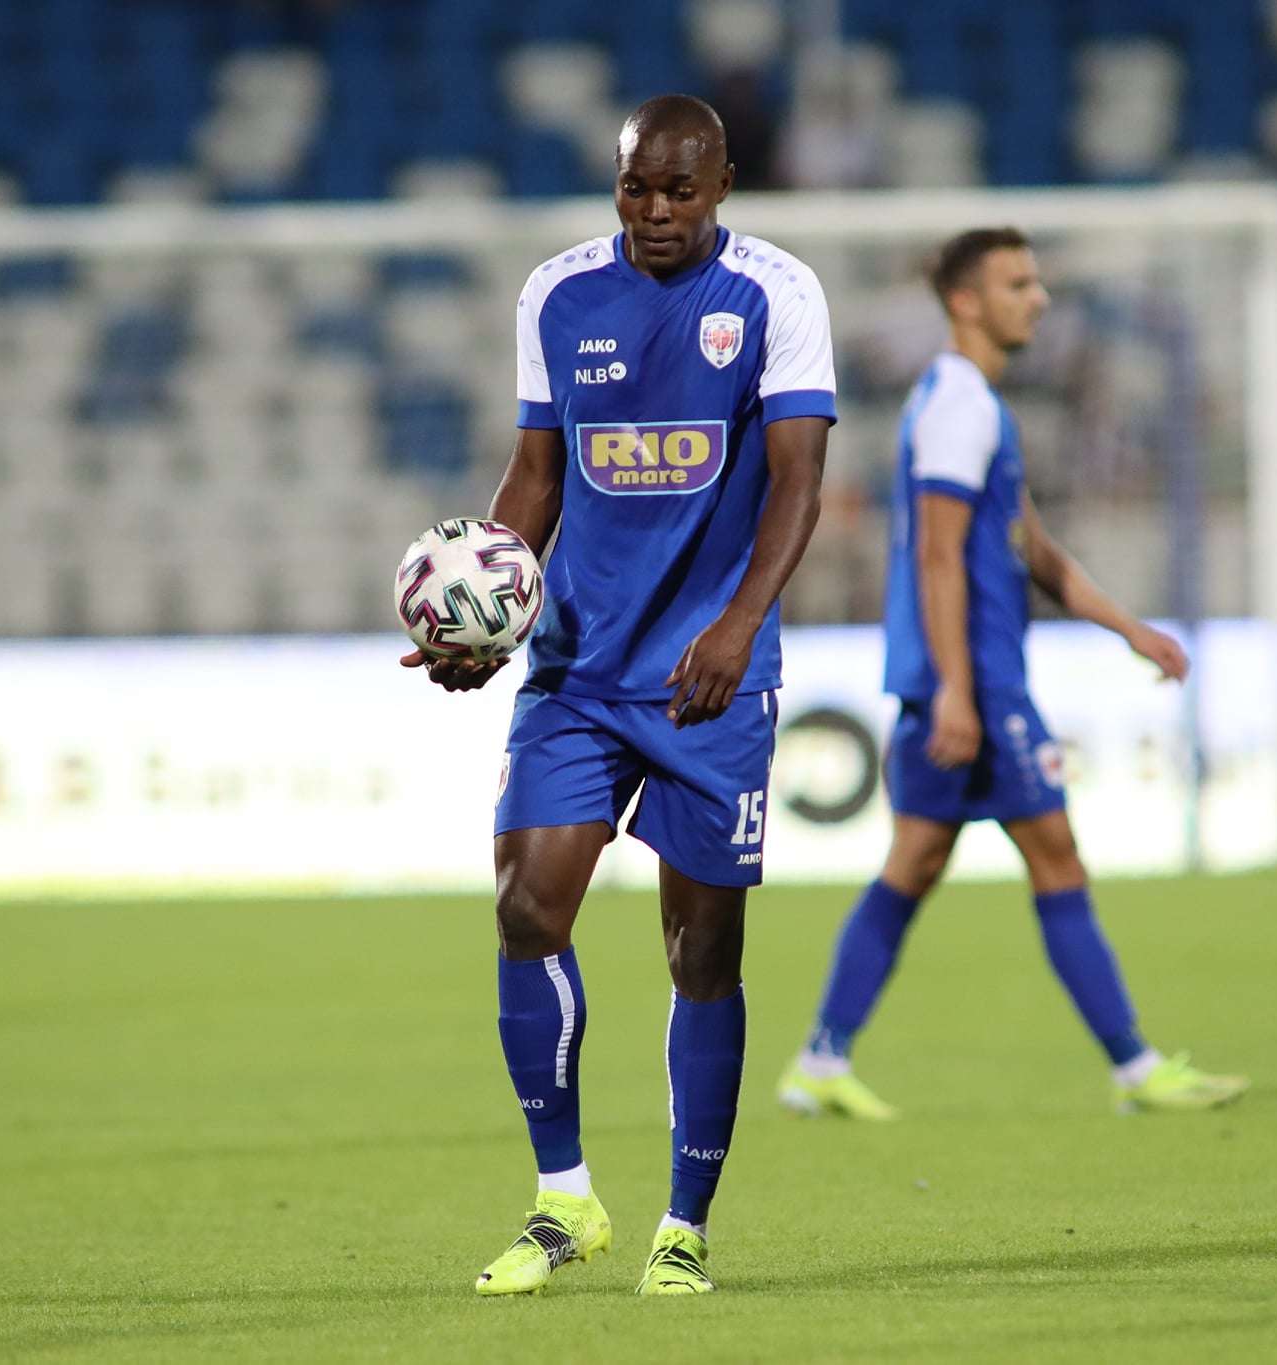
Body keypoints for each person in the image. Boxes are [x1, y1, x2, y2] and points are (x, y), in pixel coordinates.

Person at [401, 94, 834, 1296]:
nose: (653, 211)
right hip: (577, 669)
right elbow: (536, 474)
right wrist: (487, 614)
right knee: (525, 910)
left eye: (678, 191)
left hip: (708, 679)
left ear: (722, 186)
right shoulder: (555, 294)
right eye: (635, 187)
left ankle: (683, 1224)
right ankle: (563, 1200)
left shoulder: (777, 295)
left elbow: (798, 482)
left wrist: (737, 625)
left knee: (702, 953)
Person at [774, 229, 1247, 1122]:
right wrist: (959, 688)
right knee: (1053, 855)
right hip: (977, 683)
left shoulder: (970, 404)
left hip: (959, 679)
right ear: (966, 301)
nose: (1039, 299)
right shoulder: (958, 407)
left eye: (1037, 283)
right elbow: (939, 556)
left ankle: (820, 1060)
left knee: (916, 862)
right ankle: (1135, 1066)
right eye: (1018, 284)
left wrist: (1129, 629)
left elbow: (1030, 546)